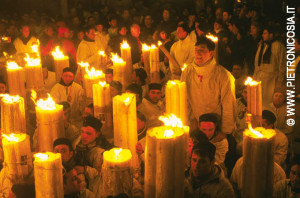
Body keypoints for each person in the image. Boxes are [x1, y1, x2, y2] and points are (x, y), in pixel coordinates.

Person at [181, 36, 236, 140]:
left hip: (217, 128)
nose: (197, 54)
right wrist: (187, 122)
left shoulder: (223, 75)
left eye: (201, 51)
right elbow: (185, 100)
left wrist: (225, 131)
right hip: (197, 124)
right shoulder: (188, 72)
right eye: (196, 50)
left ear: (211, 53)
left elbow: (228, 104)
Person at [253, 26, 286, 106]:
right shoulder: (262, 45)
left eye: (265, 33)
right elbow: (257, 62)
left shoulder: (278, 46)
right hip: (260, 77)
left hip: (271, 79)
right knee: (258, 101)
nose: (263, 35)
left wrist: (280, 80)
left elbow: (282, 63)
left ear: (271, 34)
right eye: (263, 34)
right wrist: (255, 76)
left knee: (268, 102)